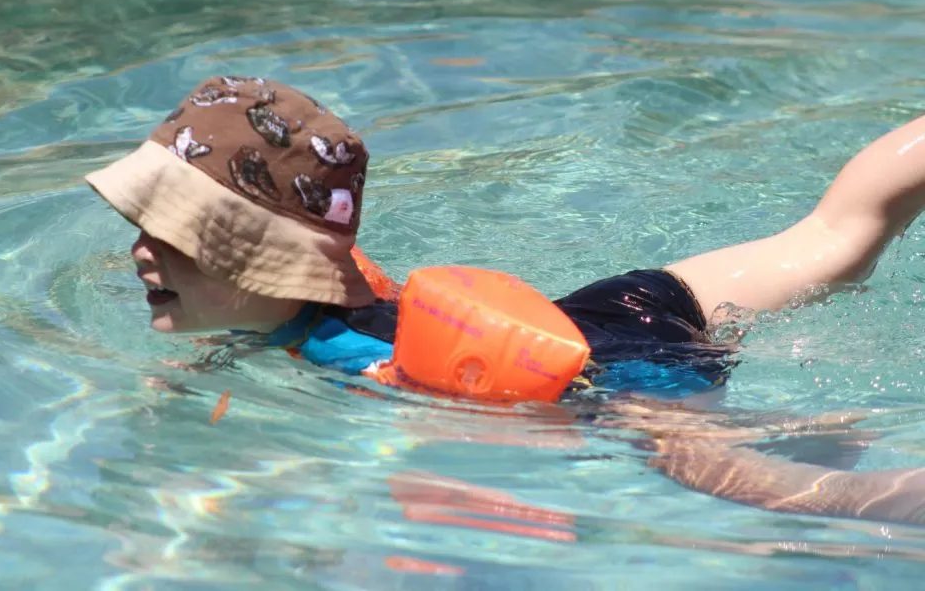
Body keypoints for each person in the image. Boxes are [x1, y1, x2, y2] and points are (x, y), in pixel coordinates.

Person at [84, 75, 925, 524]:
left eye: (172, 235)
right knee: (832, 234)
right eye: (138, 224)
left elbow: (471, 425)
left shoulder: (357, 354)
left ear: (263, 260)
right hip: (614, 300)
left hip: (612, 379)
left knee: (765, 486)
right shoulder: (318, 290)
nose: (139, 252)